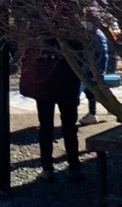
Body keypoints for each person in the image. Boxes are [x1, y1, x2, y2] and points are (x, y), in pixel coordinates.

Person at [18, 37, 84, 179]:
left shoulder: (38, 32)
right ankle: (74, 167)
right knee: (69, 127)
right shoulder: (71, 31)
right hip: (68, 84)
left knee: (46, 127)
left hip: (44, 84)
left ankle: (47, 168)